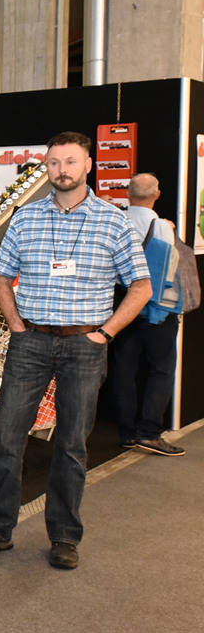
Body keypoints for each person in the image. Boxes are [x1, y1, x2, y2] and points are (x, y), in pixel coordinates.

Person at [0, 132, 151, 571]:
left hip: (85, 347)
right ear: (45, 167)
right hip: (29, 342)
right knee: (7, 440)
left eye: (70, 161)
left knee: (70, 446)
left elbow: (141, 286)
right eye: (53, 162)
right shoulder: (26, 218)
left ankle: (65, 536)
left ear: (88, 166)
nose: (61, 170)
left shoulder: (114, 221)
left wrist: (104, 334)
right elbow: (2, 276)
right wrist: (15, 325)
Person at [108, 173, 185, 456]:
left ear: (128, 194)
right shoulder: (163, 227)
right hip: (156, 308)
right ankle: (150, 433)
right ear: (157, 195)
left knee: (123, 368)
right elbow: (167, 270)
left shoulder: (115, 220)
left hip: (122, 304)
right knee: (161, 369)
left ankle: (127, 433)